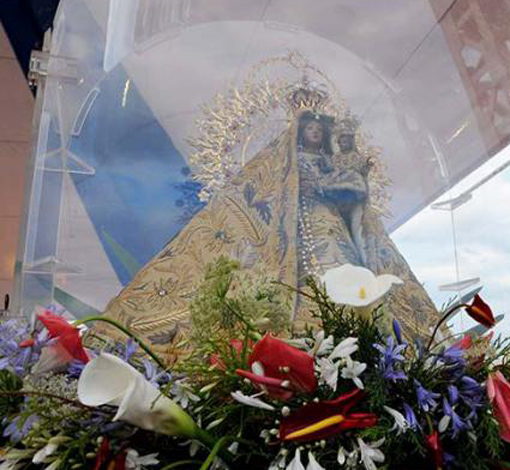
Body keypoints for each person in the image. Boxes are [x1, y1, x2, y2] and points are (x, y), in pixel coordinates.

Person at [98, 81, 439, 351]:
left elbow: (346, 191)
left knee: (344, 270)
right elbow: (277, 188)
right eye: (312, 132)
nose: (317, 137)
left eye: (321, 134)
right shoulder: (283, 162)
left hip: (332, 228)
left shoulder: (329, 161)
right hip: (297, 224)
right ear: (300, 131)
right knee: (299, 281)